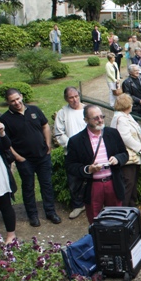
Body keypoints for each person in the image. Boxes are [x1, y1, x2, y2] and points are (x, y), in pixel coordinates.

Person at [0, 89, 60, 227]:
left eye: (17, 99)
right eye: (12, 101)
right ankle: (33, 215)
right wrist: (17, 157)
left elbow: (45, 125)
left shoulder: (34, 110)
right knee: (28, 188)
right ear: (8, 102)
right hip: (25, 160)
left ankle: (51, 212)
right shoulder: (5, 119)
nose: (16, 103)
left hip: (43, 156)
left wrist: (48, 144)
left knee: (47, 185)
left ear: (21, 96)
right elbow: (6, 142)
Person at [65, 105, 128, 224]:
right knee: (95, 220)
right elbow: (70, 166)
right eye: (95, 118)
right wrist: (88, 169)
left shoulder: (112, 133)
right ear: (86, 120)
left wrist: (117, 159)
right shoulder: (76, 141)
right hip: (93, 185)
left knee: (116, 218)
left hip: (112, 183)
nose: (100, 120)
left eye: (101, 116)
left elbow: (124, 154)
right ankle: (97, 241)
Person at [54, 87, 87, 219]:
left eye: (76, 96)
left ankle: (93, 202)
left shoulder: (87, 110)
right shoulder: (63, 113)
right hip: (72, 152)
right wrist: (71, 145)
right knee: (74, 179)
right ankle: (78, 205)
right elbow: (59, 133)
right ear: (66, 99)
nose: (74, 100)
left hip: (89, 150)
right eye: (71, 98)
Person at [110, 94, 141, 208]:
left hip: (134, 157)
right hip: (128, 157)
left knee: (133, 183)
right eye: (130, 103)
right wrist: (140, 148)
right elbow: (125, 137)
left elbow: (137, 132)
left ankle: (132, 207)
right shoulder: (120, 119)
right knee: (128, 183)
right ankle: (123, 209)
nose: (132, 105)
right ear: (126, 105)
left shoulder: (127, 116)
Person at [121, 64, 141, 139]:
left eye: (138, 70)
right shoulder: (126, 82)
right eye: (135, 71)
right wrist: (138, 101)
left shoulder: (140, 78)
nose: (138, 72)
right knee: (134, 124)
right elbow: (128, 95)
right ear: (130, 72)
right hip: (134, 107)